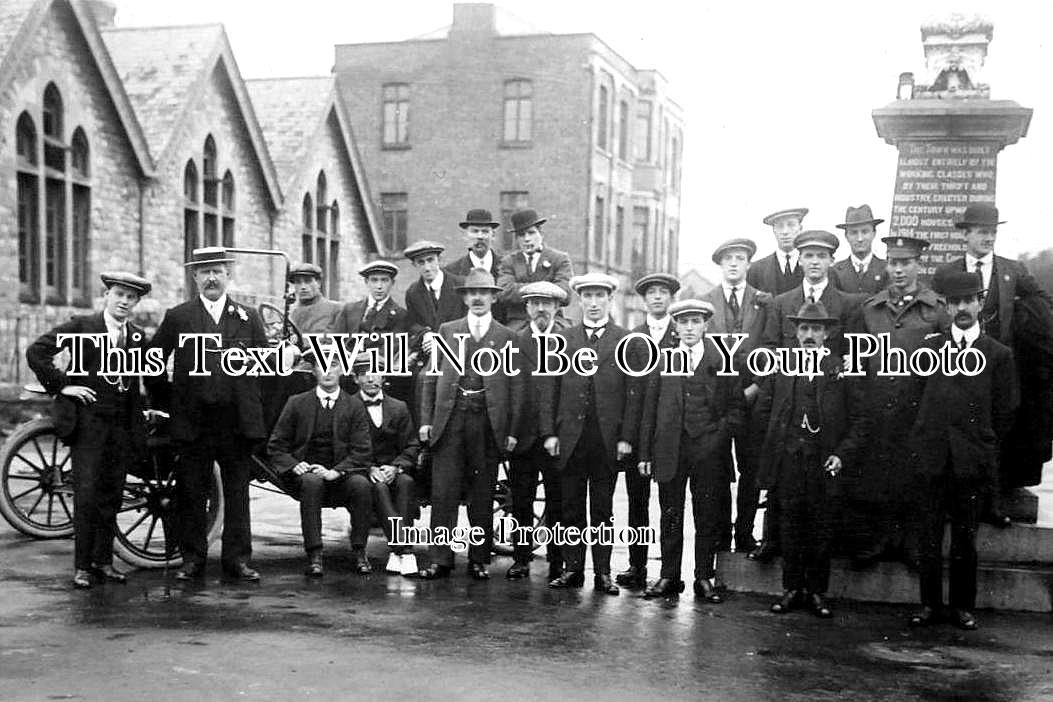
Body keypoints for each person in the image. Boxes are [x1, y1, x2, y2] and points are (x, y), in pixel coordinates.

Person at [147, 247, 268, 582]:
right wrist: (168, 402)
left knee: (238, 493)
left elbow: (265, 367)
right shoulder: (179, 316)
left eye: (217, 271)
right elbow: (153, 362)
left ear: (228, 275)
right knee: (192, 492)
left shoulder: (248, 316)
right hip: (193, 422)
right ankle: (192, 560)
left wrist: (251, 407)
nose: (212, 278)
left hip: (235, 423)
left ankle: (237, 560)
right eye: (205, 272)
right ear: (195, 277)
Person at [26, 272, 153, 589]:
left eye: (131, 298)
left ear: (136, 303)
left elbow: (147, 377)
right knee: (86, 494)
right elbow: (37, 351)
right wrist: (62, 386)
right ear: (106, 295)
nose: (124, 302)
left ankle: (103, 562)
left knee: (112, 494)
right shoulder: (81, 327)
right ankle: (82, 566)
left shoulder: (137, 336)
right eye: (119, 295)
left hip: (121, 425)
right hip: (89, 424)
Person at [907, 271, 1018, 631]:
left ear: (980, 303)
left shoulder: (997, 354)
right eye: (955, 302)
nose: (963, 308)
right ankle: (929, 603)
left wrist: (981, 445)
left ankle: (962, 606)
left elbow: (1005, 410)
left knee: (965, 536)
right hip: (932, 457)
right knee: (928, 535)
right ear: (947, 306)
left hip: (971, 460)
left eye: (969, 300)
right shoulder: (929, 350)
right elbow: (914, 399)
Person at [935, 203, 1053, 502]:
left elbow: (1042, 302)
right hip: (958, 363)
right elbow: (937, 312)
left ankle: (994, 496)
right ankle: (958, 495)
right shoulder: (947, 271)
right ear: (966, 234)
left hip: (999, 367)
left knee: (998, 426)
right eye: (982, 232)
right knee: (959, 426)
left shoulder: (1013, 270)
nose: (989, 238)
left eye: (992, 232)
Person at [758, 301, 867, 619]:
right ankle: (791, 589)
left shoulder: (840, 369)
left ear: (826, 333)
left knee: (821, 526)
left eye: (816, 329)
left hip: (824, 460)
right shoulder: (782, 367)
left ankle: (817, 591)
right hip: (790, 459)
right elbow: (764, 410)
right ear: (795, 332)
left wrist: (841, 454)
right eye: (804, 328)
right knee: (790, 524)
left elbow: (861, 419)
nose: (809, 335)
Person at [417, 269, 523, 580]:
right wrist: (426, 421)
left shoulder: (507, 337)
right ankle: (440, 560)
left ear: (493, 298)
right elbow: (431, 378)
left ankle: (478, 559)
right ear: (464, 298)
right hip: (450, 420)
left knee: (482, 493)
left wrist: (512, 431)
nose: (477, 298)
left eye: (484, 293)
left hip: (487, 423)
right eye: (472, 293)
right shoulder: (448, 330)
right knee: (444, 491)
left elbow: (516, 389)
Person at [538, 273, 640, 595]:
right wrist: (550, 433)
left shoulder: (625, 340)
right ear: (580, 300)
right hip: (571, 438)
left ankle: (603, 573)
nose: (594, 303)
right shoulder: (563, 339)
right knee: (571, 506)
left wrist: (626, 437)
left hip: (605, 440)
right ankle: (573, 569)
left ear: (610, 299)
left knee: (602, 509)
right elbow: (549, 389)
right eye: (588, 296)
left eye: (599, 296)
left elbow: (633, 393)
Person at [637, 299, 745, 602]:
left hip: (709, 450)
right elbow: (649, 410)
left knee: (707, 514)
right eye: (683, 322)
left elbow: (737, 409)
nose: (688, 328)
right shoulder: (664, 359)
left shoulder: (722, 359)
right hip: (671, 448)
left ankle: (703, 577)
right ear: (675, 325)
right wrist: (645, 453)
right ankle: (669, 576)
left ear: (705, 325)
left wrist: (716, 437)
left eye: (695, 321)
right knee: (670, 514)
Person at [849, 236, 944, 568]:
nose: (899, 270)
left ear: (919, 264)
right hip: (877, 408)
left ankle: (912, 544)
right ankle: (881, 539)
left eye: (906, 263)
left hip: (919, 410)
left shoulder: (937, 309)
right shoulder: (870, 309)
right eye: (893, 263)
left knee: (917, 476)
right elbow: (857, 361)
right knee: (878, 474)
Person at [267, 345, 374, 576]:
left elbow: (362, 450)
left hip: (341, 475)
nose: (327, 371)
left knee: (361, 485)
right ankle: (315, 554)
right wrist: (294, 464)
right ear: (313, 371)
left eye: (333, 365)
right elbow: (276, 445)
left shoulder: (354, 405)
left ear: (342, 370)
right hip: (307, 475)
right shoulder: (297, 402)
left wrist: (337, 471)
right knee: (311, 483)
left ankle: (359, 551)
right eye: (321, 366)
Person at [702, 238, 772, 555]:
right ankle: (721, 533)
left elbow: (772, 348)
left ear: (748, 264)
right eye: (728, 258)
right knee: (717, 468)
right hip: (717, 402)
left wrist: (756, 387)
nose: (733, 263)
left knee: (751, 467)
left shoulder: (764, 302)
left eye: (740, 258)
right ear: (720, 264)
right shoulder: (706, 302)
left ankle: (744, 532)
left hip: (753, 397)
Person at [615, 272, 680, 590]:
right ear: (643, 300)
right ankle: (637, 565)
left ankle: (669, 572)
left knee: (671, 504)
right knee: (637, 502)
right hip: (639, 430)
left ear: (671, 298)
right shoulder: (633, 338)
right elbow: (628, 392)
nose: (656, 297)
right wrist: (627, 437)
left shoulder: (680, 336)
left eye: (662, 292)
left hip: (669, 431)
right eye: (651, 292)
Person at [506, 281, 569, 581]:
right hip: (524, 436)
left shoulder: (568, 341)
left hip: (556, 438)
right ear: (527, 307)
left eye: (547, 303)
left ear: (557, 307)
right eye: (535, 303)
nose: (541, 309)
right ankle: (521, 558)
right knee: (521, 500)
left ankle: (558, 561)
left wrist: (559, 432)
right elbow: (508, 390)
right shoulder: (516, 342)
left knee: (557, 501)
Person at [350, 360, 421, 577]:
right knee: (378, 488)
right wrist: (369, 468)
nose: (371, 378)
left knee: (406, 482)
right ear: (355, 379)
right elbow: (345, 447)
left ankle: (398, 553)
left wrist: (396, 467)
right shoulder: (348, 407)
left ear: (384, 377)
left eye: (376, 373)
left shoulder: (399, 407)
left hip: (393, 469)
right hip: (363, 470)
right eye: (364, 373)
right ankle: (403, 550)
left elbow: (411, 445)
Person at [333, 260, 414, 400]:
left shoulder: (400, 315)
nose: (379, 286)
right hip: (348, 374)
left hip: (377, 375)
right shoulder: (350, 310)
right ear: (366, 282)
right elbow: (336, 339)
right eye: (374, 280)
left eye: (384, 280)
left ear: (392, 283)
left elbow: (391, 349)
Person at [496, 209, 574, 331]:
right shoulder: (509, 262)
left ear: (541, 234)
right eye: (521, 235)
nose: (527, 239)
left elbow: (565, 293)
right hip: (518, 322)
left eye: (531, 233)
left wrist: (523, 289)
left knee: (570, 337)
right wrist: (547, 287)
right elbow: (504, 292)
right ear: (516, 239)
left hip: (553, 320)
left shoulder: (559, 259)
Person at [445, 209, 505, 322]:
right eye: (475, 231)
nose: (480, 236)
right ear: (465, 235)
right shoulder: (451, 271)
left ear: (493, 235)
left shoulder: (506, 267)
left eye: (485, 231)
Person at [746, 207, 807, 295]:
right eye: (780, 226)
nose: (785, 232)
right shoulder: (756, 270)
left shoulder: (812, 265)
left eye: (791, 225)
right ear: (774, 231)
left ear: (800, 228)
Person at [831, 205, 889, 295]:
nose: (860, 238)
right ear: (846, 236)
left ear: (874, 233)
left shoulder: (887, 269)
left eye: (865, 232)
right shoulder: (835, 271)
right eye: (854, 233)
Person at [288, 262, 341, 334]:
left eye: (308, 281)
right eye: (298, 282)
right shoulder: (291, 314)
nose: (303, 287)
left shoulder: (335, 309)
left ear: (318, 283)